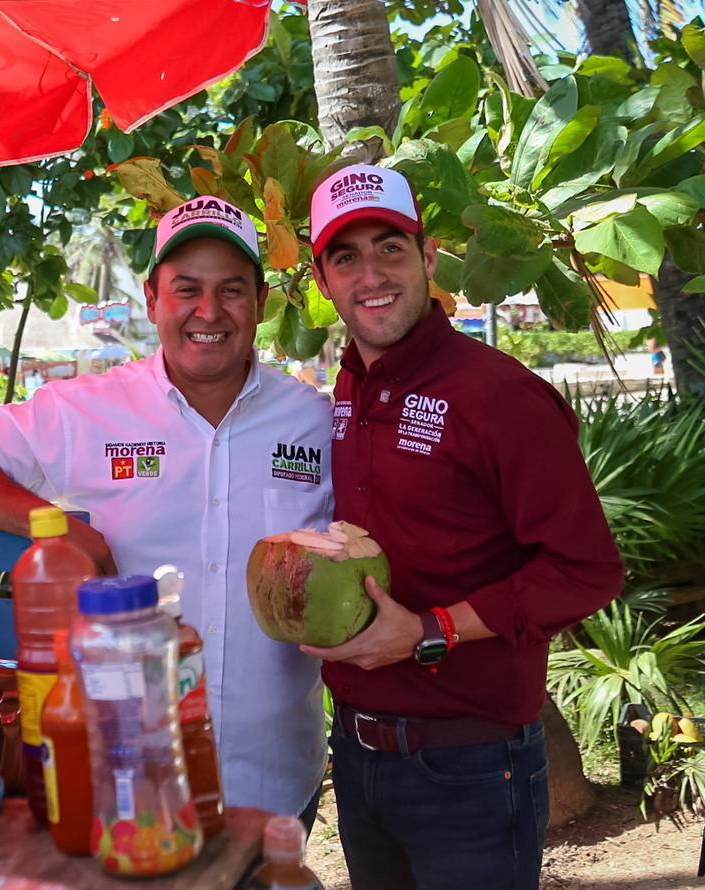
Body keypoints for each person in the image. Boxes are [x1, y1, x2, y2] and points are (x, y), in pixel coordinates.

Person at [0, 198, 333, 823]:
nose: (208, 312)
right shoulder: (84, 410)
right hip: (128, 783)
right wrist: (50, 528)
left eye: (232, 291)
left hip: (274, 782)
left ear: (262, 302)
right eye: (186, 288)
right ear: (152, 297)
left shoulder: (315, 419)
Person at [303, 164, 623, 889]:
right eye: (345, 257)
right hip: (354, 759)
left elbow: (587, 569)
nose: (371, 273)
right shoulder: (346, 390)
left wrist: (430, 630)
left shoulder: (500, 395)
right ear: (322, 281)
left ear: (429, 256)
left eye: (390, 247)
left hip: (472, 767)